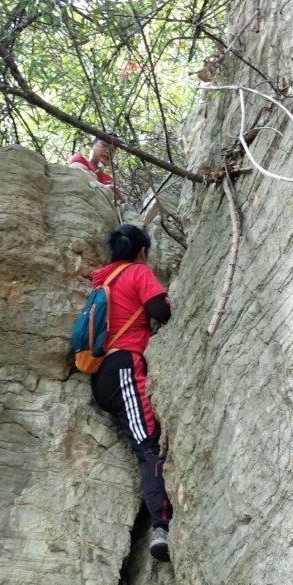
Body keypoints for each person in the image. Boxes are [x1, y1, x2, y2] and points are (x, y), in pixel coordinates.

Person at [90, 224, 173, 562]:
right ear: (141, 251)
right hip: (125, 367)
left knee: (143, 443)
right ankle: (161, 526)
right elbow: (161, 312)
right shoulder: (137, 273)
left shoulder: (102, 281)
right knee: (148, 444)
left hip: (102, 376)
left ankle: (157, 521)